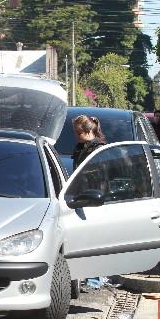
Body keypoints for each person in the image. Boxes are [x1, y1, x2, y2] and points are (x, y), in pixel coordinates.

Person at [71, 114, 106, 291]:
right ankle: (87, 276)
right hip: (81, 196)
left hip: (94, 196)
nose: (76, 136)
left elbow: (98, 175)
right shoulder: (81, 147)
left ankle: (95, 278)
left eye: (78, 133)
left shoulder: (98, 149)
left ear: (88, 131)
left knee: (94, 239)